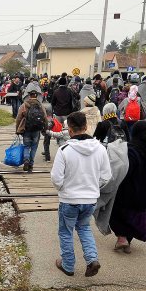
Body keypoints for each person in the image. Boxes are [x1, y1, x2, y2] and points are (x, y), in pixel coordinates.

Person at [50, 111, 112, 277]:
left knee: (65, 232)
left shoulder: (64, 150)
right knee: (84, 228)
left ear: (69, 130)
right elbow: (106, 176)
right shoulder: (100, 149)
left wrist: (63, 189)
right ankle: (92, 259)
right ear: (86, 127)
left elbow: (56, 178)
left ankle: (68, 265)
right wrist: (93, 187)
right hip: (90, 199)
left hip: (69, 199)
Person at [109, 121, 146, 253]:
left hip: (126, 190)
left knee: (116, 212)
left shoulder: (131, 148)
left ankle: (122, 237)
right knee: (134, 215)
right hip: (144, 192)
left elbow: (125, 170)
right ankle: (127, 241)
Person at [15, 88, 47, 172]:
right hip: (37, 130)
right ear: (36, 96)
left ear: (29, 96)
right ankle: (31, 165)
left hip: (26, 129)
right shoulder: (40, 105)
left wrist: (17, 129)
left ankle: (26, 160)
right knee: (34, 147)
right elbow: (45, 118)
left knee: (26, 146)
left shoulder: (24, 105)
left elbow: (18, 118)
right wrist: (45, 129)